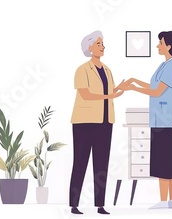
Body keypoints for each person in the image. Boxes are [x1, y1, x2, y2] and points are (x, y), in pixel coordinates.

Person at [121, 31, 172, 209]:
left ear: (168, 46)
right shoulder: (164, 65)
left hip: (168, 120)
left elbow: (157, 92)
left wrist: (133, 88)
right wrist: (134, 81)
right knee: (166, 160)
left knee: (168, 161)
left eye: (160, 43)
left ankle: (168, 201)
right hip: (161, 119)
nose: (158, 45)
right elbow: (153, 86)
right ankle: (168, 201)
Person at [69, 30, 126, 215]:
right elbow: (85, 95)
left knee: (102, 164)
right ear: (89, 47)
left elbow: (109, 91)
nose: (103, 47)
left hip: (105, 121)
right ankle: (74, 204)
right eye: (99, 44)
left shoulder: (107, 69)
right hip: (84, 123)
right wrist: (111, 95)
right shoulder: (82, 70)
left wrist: (121, 88)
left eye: (103, 44)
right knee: (80, 162)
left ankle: (100, 205)